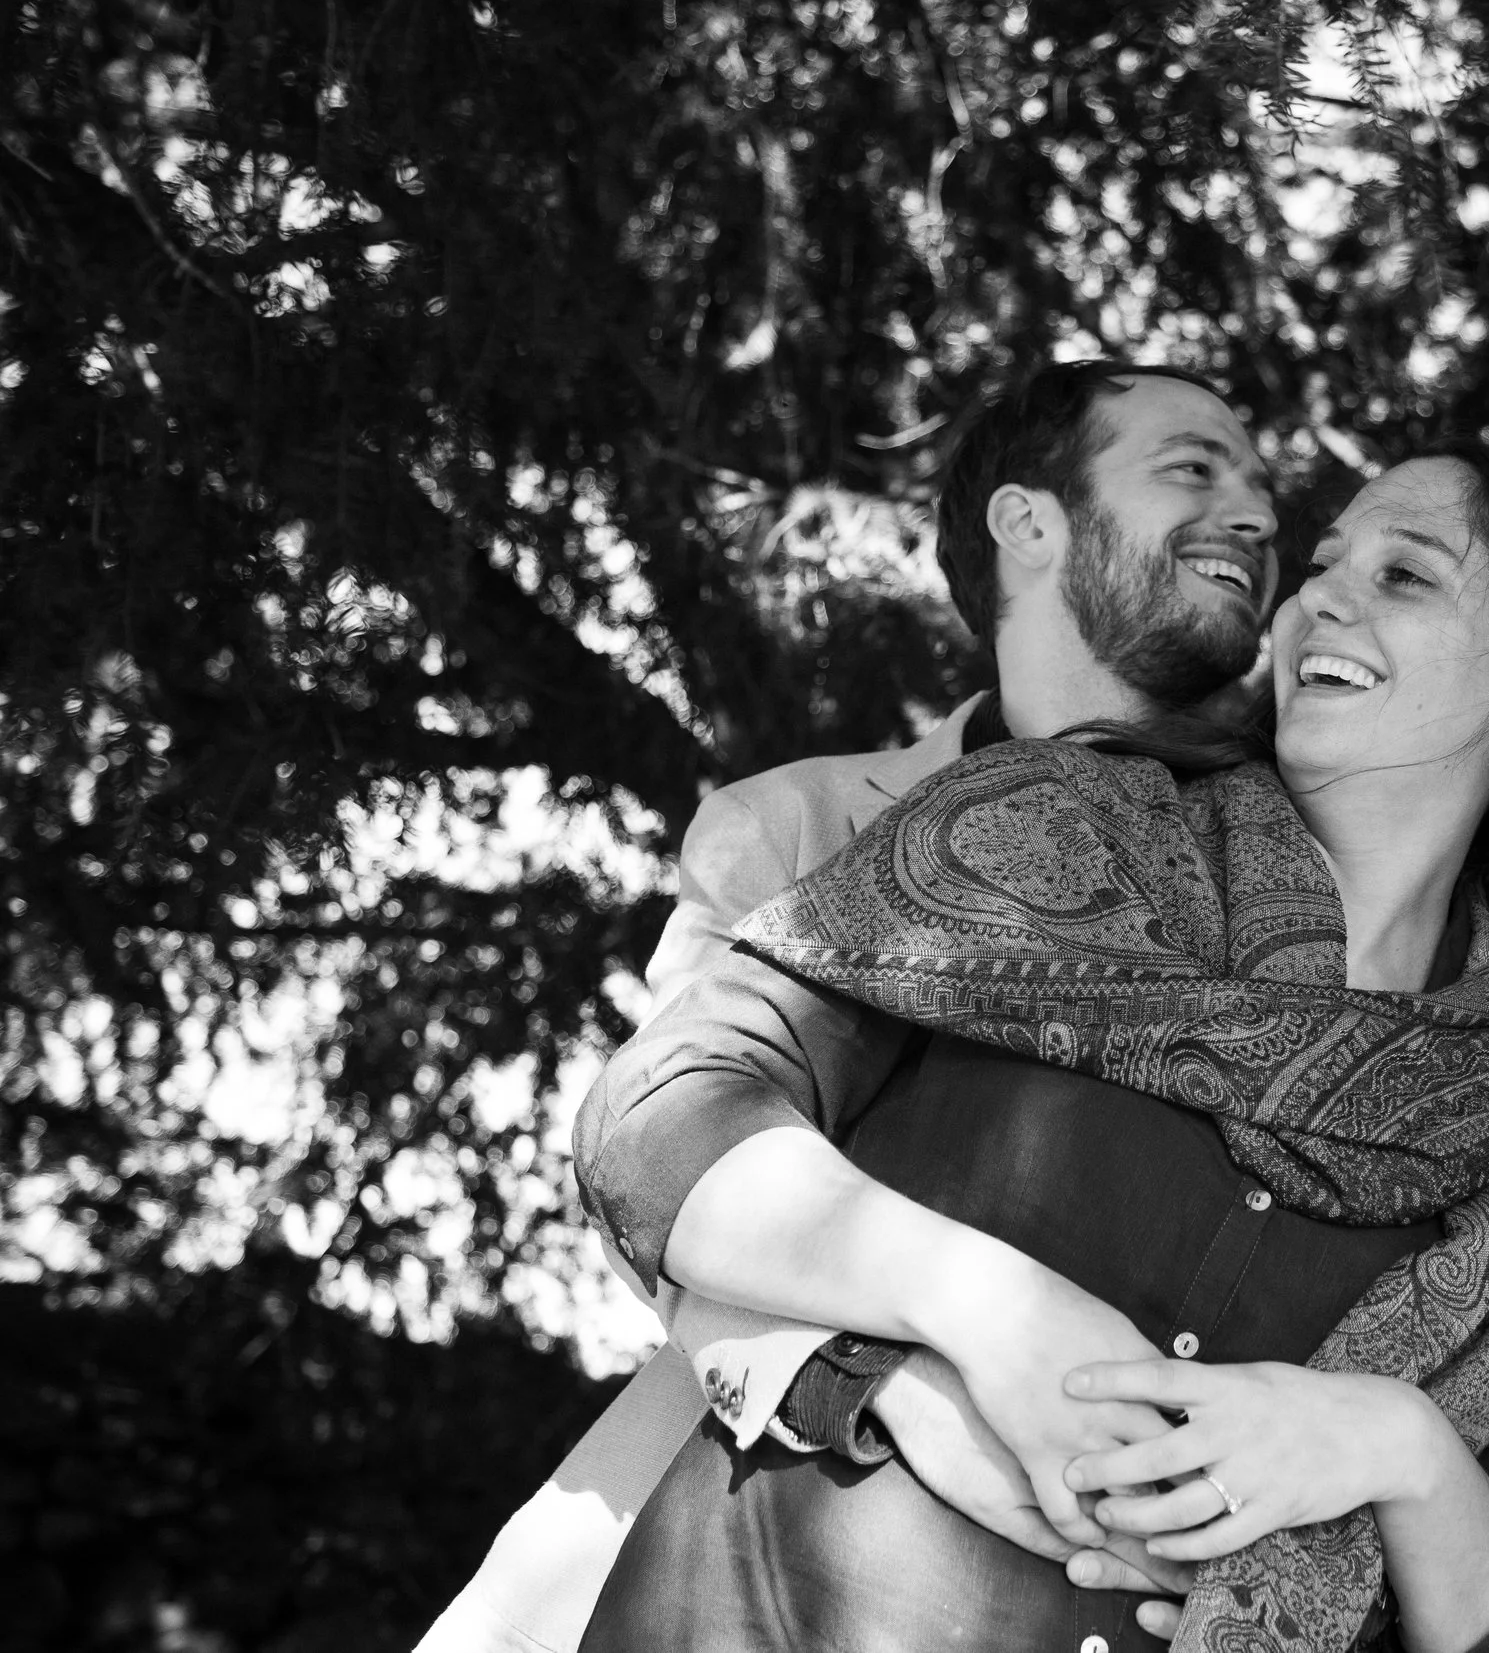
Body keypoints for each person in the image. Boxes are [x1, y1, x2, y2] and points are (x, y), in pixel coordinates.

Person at [570, 442, 1489, 1650]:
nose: (1320, 594)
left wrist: (1393, 1447)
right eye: (1325, 562)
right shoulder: (1044, 824)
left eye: (1406, 575)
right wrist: (974, 1312)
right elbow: (660, 1117)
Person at [415, 359, 1283, 1653]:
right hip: (706, 1566)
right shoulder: (801, 820)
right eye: (1194, 466)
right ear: (1029, 521)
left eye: (1263, 483)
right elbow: (675, 1190)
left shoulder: (1308, 868)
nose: (1259, 512)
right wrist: (903, 1385)